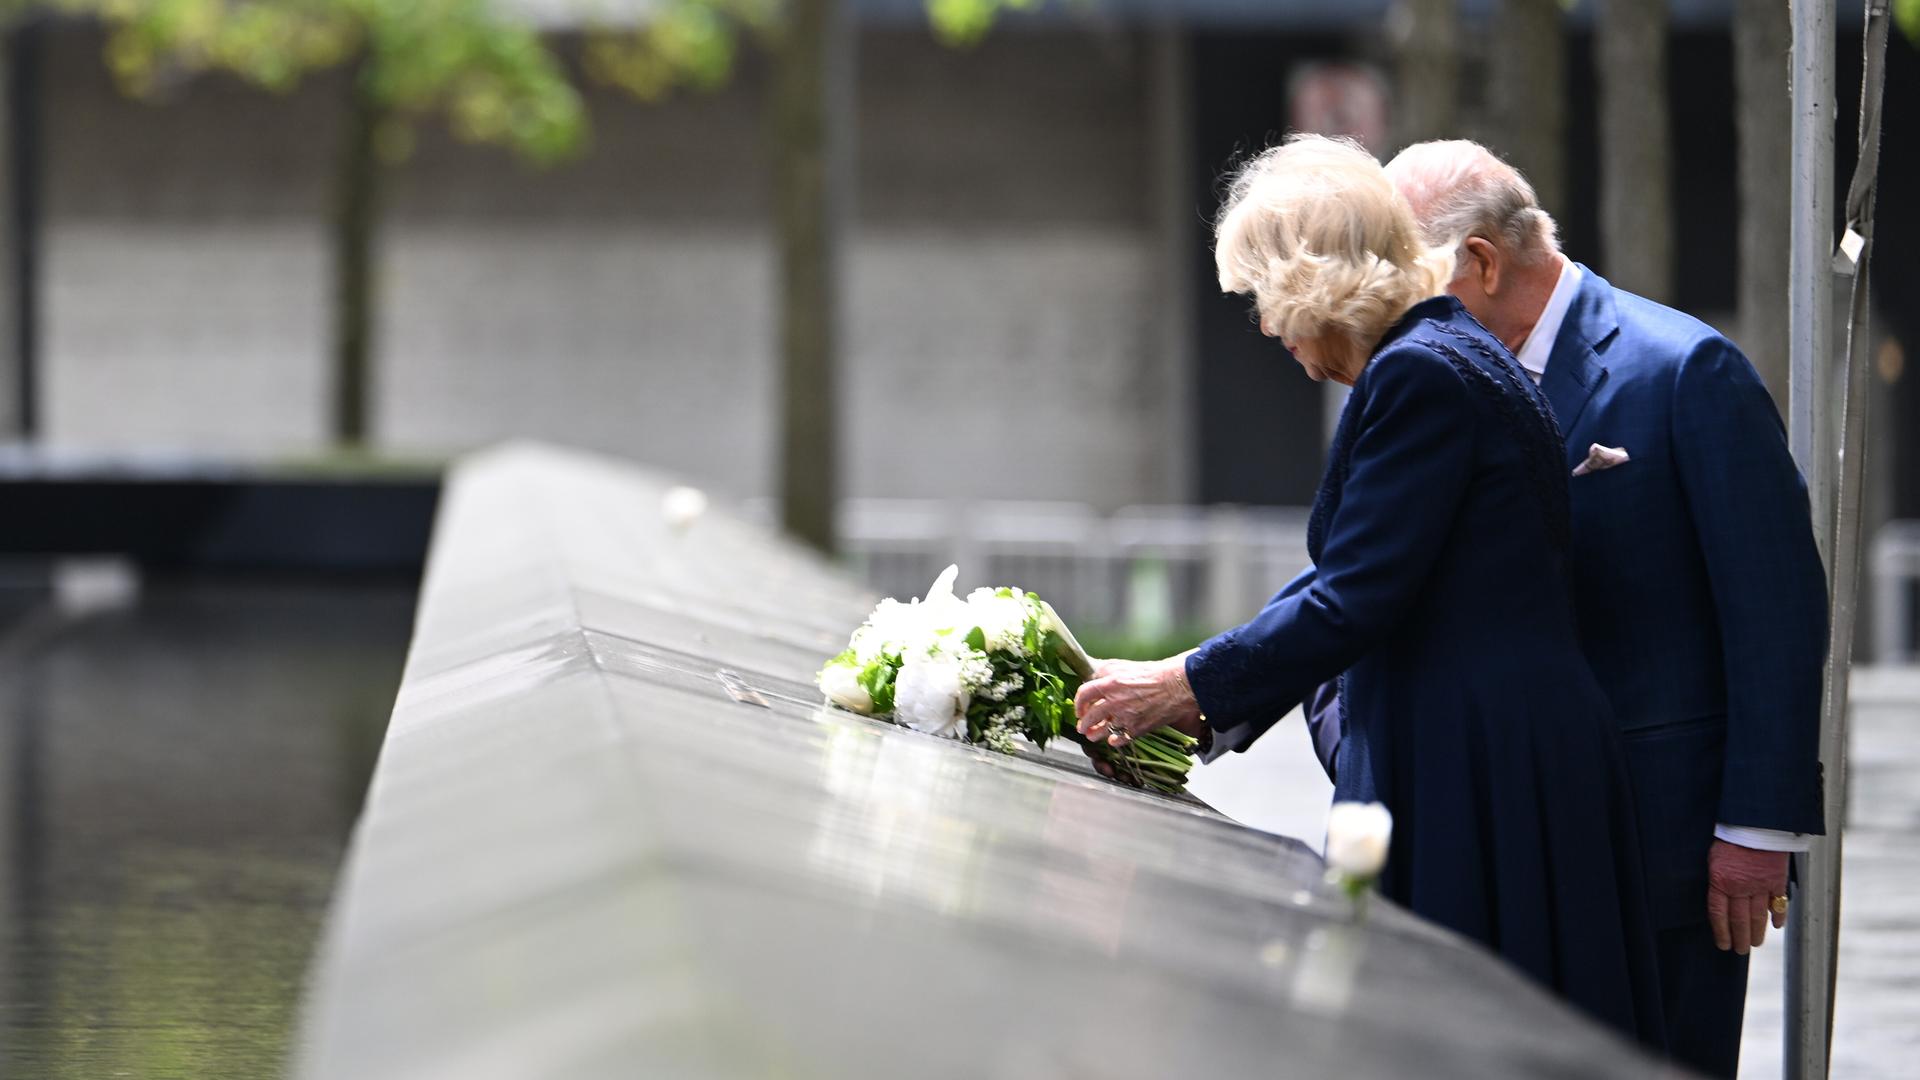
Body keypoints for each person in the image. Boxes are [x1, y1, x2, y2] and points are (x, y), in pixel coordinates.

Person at [1073, 134, 1664, 1048]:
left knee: (1456, 1036)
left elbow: (1353, 594)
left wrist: (1181, 687)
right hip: (1502, 746)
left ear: (1315, 285)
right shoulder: (1443, 353)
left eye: (1266, 301)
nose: (1269, 330)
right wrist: (1193, 683)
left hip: (1478, 762)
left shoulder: (1419, 373)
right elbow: (1354, 576)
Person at [1373, 141, 1820, 1077]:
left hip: (1665, 852)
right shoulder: (1436, 380)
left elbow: (1775, 612)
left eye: (1409, 279)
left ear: (1482, 264)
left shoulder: (1686, 370)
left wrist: (1755, 830)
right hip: (1490, 840)